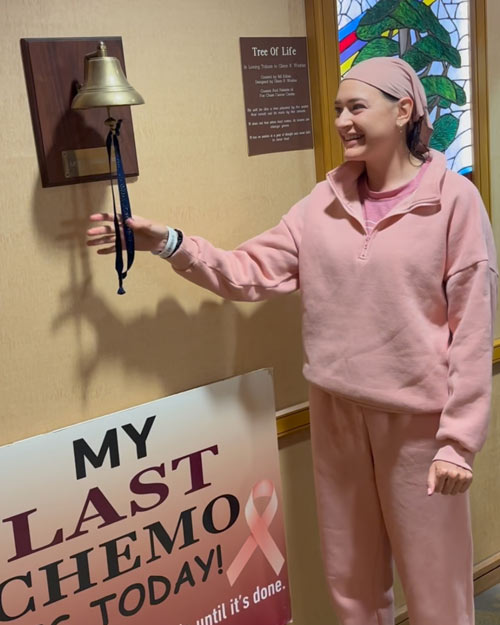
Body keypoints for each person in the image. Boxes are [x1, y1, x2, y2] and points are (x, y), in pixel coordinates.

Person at [87, 57, 498, 625]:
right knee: (351, 583)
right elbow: (246, 271)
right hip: (335, 413)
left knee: (436, 589)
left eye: (357, 107)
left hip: (418, 428)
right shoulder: (320, 205)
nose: (343, 122)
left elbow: (474, 330)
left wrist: (458, 441)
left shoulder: (454, 201)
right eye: (337, 110)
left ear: (404, 110)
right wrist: (170, 243)